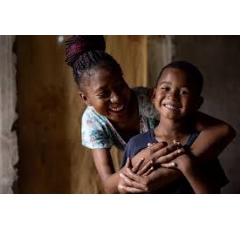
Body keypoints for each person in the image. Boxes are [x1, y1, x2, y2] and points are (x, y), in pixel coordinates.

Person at [65, 35, 235, 194]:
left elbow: (223, 130)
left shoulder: (151, 101)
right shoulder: (94, 123)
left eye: (120, 85)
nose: (116, 98)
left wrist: (176, 168)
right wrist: (141, 161)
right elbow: (109, 184)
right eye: (103, 94)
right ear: (85, 98)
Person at [119, 60, 228, 193]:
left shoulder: (203, 145)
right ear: (153, 96)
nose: (173, 95)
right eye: (166, 88)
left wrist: (187, 166)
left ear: (197, 103)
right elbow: (126, 188)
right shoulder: (135, 144)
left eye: (184, 92)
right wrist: (124, 189)